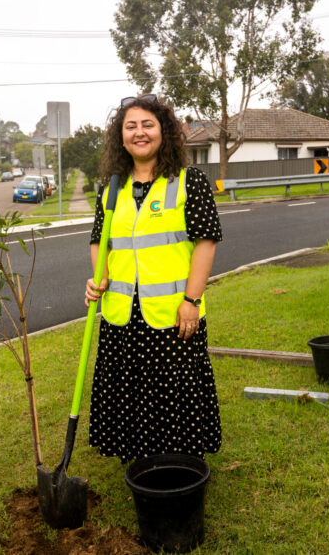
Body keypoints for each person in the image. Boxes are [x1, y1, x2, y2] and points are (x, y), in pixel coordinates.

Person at [84, 93, 223, 463]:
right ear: (121, 136)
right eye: (131, 126)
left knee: (175, 390)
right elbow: (101, 242)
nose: (139, 133)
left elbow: (206, 243)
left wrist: (191, 301)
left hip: (174, 314)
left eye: (148, 124)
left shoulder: (188, 181)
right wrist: (98, 278)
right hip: (122, 314)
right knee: (129, 390)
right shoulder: (111, 188)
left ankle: (180, 462)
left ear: (165, 132)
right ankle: (141, 459)